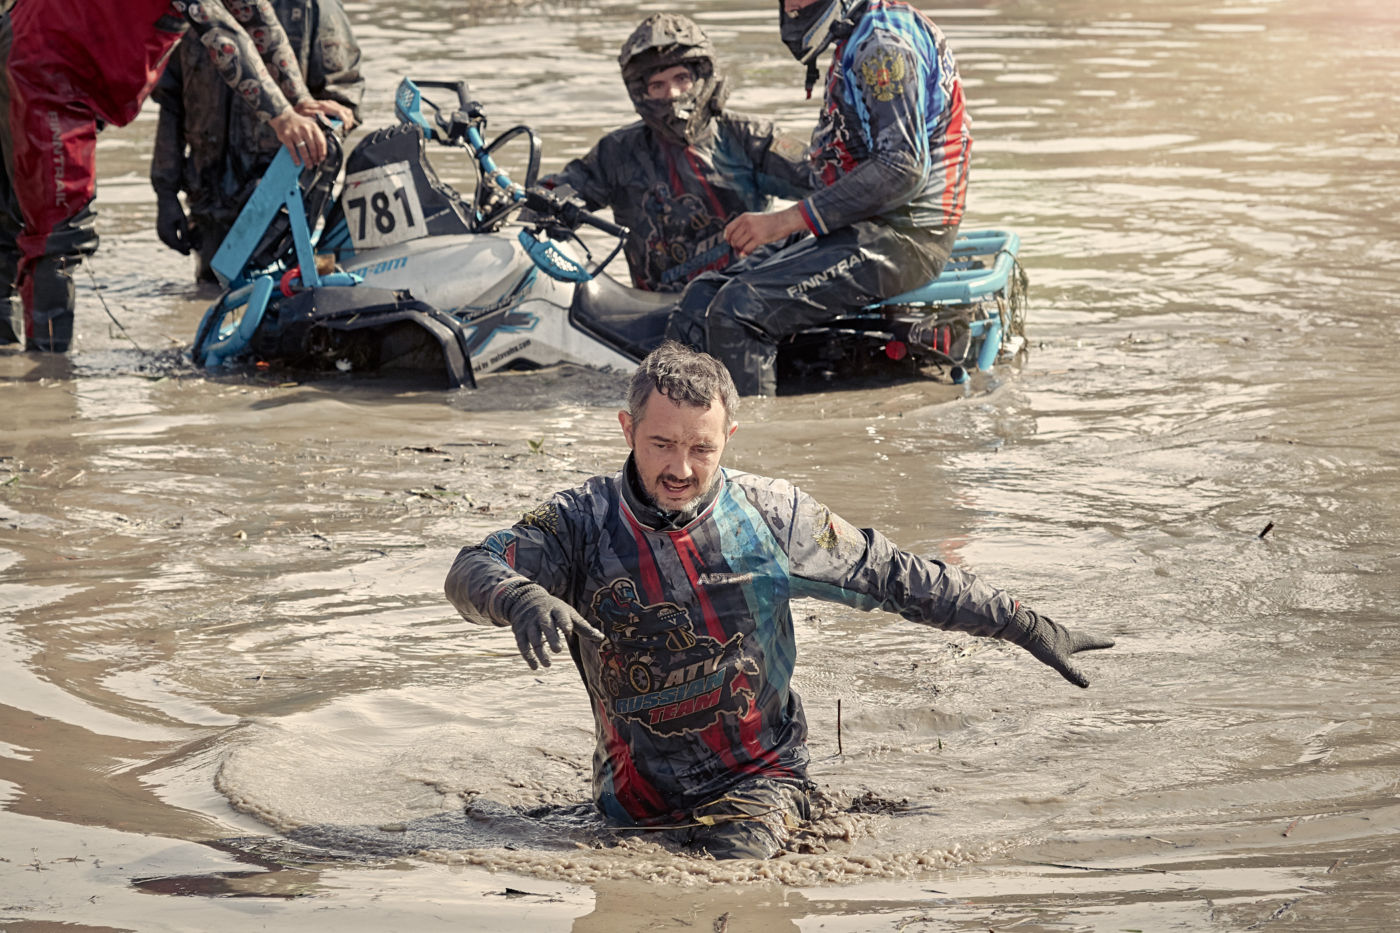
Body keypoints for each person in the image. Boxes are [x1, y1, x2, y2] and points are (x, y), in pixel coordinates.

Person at [443, 341, 1114, 860]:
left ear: (729, 438)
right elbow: (472, 566)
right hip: (630, 802)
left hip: (759, 781)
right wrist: (518, 595)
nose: (680, 468)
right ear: (627, 428)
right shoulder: (580, 521)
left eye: (701, 448)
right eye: (661, 444)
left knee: (733, 887)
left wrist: (1023, 622)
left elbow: (894, 575)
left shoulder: (774, 516)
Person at [0, 0, 354, 352]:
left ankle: (10, 356)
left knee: (12, 219)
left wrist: (300, 99)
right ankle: (49, 369)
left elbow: (258, 18)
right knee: (59, 234)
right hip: (44, 73)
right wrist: (282, 116)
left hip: (45, 59)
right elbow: (222, 36)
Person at [664, 0, 973, 395]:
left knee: (739, 310)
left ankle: (754, 432)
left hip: (905, 238)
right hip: (862, 223)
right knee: (701, 297)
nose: (793, 5)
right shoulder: (859, 32)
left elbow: (902, 168)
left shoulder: (883, 45)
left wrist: (784, 220)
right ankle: (671, 415)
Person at [542, 13, 812, 293]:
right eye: (657, 85)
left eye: (681, 78)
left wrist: (781, 224)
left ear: (701, 77)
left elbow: (826, 186)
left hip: (745, 300)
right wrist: (540, 199)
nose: (671, 93)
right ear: (642, 93)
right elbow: (563, 191)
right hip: (656, 310)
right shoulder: (617, 152)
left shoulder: (750, 137)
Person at [151, 0, 363, 283]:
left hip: (283, 207)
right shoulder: (189, 13)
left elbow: (342, 104)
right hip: (209, 203)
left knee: (288, 295)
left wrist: (313, 129)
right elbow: (170, 101)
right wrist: (165, 193)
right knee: (210, 296)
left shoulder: (313, 8)